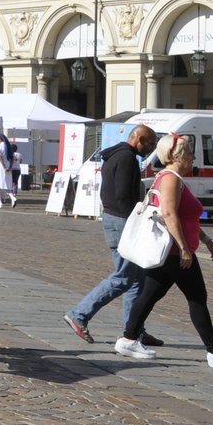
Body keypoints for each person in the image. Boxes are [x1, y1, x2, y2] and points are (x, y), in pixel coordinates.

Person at [116, 133, 213, 369]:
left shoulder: (171, 177)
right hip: (175, 252)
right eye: (190, 152)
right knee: (197, 297)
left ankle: (128, 340)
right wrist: (184, 248)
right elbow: (169, 215)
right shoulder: (170, 179)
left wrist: (207, 240)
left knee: (150, 295)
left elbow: (186, 217)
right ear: (178, 155)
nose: (193, 157)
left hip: (171, 251)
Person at [65, 124, 161, 346]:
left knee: (137, 279)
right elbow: (122, 195)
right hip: (121, 221)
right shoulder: (127, 158)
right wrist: (135, 222)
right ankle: (79, 315)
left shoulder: (115, 155)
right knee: (124, 277)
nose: (151, 148)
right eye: (150, 143)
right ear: (140, 139)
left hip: (113, 218)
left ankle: (134, 330)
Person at [0, 133, 17, 208]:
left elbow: (0, 158)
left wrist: (4, 167)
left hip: (0, 167)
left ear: (0, 138)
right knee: (7, 186)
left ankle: (0, 202)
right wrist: (9, 167)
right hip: (8, 167)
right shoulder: (8, 146)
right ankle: (13, 197)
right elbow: (12, 158)